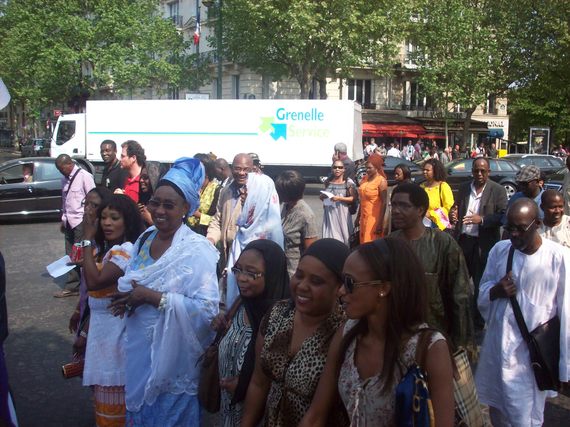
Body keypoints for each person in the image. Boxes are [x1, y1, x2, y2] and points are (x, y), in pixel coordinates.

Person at [109, 157, 219, 425]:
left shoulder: (196, 249)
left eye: (169, 205)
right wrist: (129, 298)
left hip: (174, 365)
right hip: (138, 355)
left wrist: (149, 297)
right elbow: (133, 280)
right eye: (155, 202)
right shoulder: (146, 237)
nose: (159, 210)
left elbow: (207, 311)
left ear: (186, 208)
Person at [300, 238, 455, 427]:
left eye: (350, 283)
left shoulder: (429, 348)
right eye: (342, 281)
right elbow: (316, 415)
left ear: (383, 288)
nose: (340, 291)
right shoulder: (347, 334)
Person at [476, 198, 570, 427]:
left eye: (520, 228)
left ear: (537, 223)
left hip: (530, 358)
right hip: (497, 350)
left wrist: (565, 368)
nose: (514, 234)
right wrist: (496, 290)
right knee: (497, 413)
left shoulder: (559, 257)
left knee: (524, 418)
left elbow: (567, 313)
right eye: (509, 228)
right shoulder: (500, 250)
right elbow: (482, 292)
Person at [241, 238, 350, 427]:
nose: (302, 286)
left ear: (338, 287)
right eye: (299, 275)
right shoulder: (277, 314)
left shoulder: (343, 332)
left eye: (316, 281)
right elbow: (259, 383)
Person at [80, 194, 145, 426]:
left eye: (114, 218)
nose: (107, 223)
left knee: (115, 412)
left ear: (127, 221)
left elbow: (95, 281)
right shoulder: (111, 249)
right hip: (103, 339)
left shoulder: (125, 250)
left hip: (116, 343)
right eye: (104, 217)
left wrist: (86, 240)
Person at [215, 240, 290, 427]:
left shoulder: (283, 319)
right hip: (230, 410)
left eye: (251, 273)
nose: (241, 278)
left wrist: (244, 386)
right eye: (238, 270)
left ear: (271, 275)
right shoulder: (241, 304)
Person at [390, 183, 473, 349]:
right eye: (394, 205)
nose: (396, 210)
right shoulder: (390, 243)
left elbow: (460, 296)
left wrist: (461, 344)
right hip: (396, 335)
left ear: (420, 210)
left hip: (434, 337)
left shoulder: (443, 243)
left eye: (404, 206)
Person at [452, 157, 507, 328]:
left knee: (480, 283)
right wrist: (453, 214)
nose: (479, 174)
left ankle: (478, 320)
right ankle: (459, 317)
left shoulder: (497, 190)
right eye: (476, 170)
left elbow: (502, 216)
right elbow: (455, 208)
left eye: (483, 170)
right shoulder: (463, 188)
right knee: (458, 283)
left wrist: (481, 220)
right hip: (464, 241)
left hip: (483, 244)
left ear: (489, 172)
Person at [225, 172, 284, 307]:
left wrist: (234, 310)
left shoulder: (269, 235)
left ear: (259, 194)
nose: (243, 193)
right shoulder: (246, 225)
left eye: (247, 189)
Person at [68, 187, 113, 356]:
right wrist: (78, 309)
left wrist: (86, 332)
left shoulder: (109, 244)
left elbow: (100, 291)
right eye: (85, 203)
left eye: (93, 205)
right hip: (87, 312)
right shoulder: (93, 239)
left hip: (100, 322)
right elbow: (86, 289)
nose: (87, 209)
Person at [55, 154, 96, 296]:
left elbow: (93, 198)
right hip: (68, 221)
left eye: (61, 168)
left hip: (80, 221)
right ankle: (73, 284)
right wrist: (63, 218)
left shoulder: (85, 176)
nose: (60, 171)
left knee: (79, 254)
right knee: (69, 254)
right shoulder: (64, 179)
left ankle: (80, 284)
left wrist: (90, 221)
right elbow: (65, 200)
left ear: (69, 164)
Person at [207, 153, 253, 269]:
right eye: (238, 169)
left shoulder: (256, 193)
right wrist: (211, 239)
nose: (241, 173)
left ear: (252, 170)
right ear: (232, 169)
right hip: (226, 254)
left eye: (245, 169)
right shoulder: (225, 191)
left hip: (246, 256)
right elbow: (217, 219)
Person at [275, 170, 318, 277]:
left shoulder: (305, 215)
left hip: (294, 273)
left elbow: (311, 252)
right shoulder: (286, 206)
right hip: (282, 269)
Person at [321, 160, 356, 245]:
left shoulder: (348, 182)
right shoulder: (328, 181)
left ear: (344, 169)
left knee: (343, 237)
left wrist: (339, 198)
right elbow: (323, 196)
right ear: (332, 169)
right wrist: (322, 197)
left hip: (342, 214)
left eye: (340, 167)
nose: (337, 169)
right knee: (330, 238)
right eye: (335, 167)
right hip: (329, 213)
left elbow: (353, 198)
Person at [188, 154, 222, 236]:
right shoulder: (191, 187)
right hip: (188, 233)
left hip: (206, 235)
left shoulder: (218, 190)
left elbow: (218, 221)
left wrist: (197, 214)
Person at [358, 153, 388, 242]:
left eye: (369, 168)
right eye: (366, 168)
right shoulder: (364, 178)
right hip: (363, 217)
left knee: (370, 243)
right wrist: (358, 217)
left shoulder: (381, 181)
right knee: (363, 242)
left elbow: (384, 202)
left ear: (377, 168)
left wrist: (380, 222)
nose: (367, 170)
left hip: (374, 218)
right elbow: (362, 199)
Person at [420, 158, 454, 230]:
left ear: (435, 172)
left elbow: (448, 207)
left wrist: (431, 214)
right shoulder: (421, 187)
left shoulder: (443, 186)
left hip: (438, 227)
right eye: (424, 170)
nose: (424, 172)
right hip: (422, 226)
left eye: (427, 170)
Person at [137, 162, 161, 228]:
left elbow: (168, 230)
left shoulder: (163, 202)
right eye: (141, 177)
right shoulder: (143, 200)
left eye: (146, 177)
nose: (141, 180)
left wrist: (149, 219)